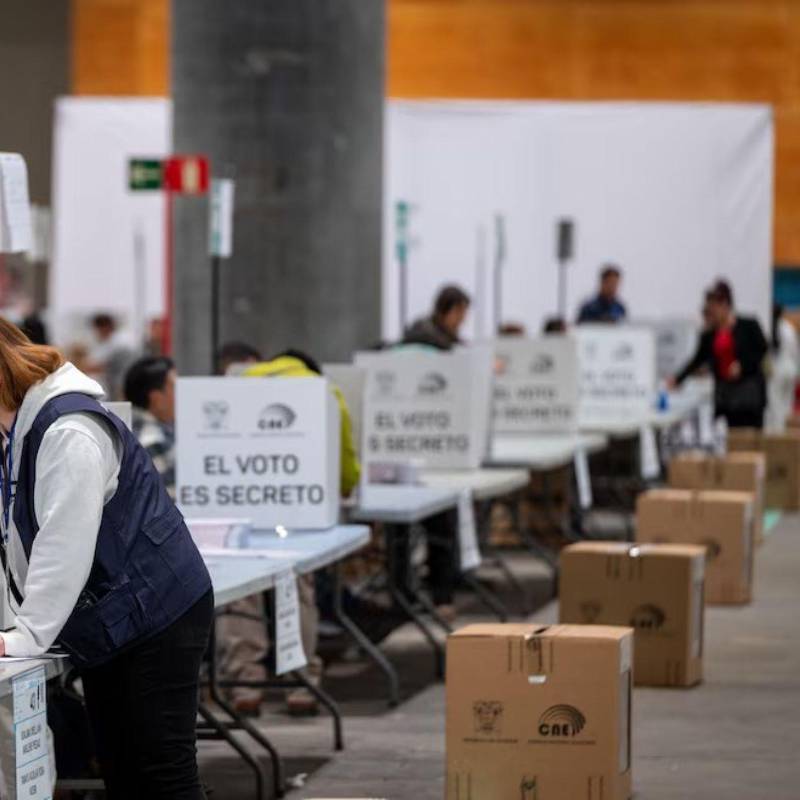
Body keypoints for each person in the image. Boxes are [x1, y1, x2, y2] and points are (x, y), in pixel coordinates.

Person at [0, 318, 212, 799]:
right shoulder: (23, 430)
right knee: (124, 772)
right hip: (118, 618)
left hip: (155, 615)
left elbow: (64, 544)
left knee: (161, 775)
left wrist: (27, 635)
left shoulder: (67, 431)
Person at [217, 346, 362, 716]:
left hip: (237, 502)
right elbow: (344, 461)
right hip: (297, 508)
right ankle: (301, 683)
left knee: (239, 590)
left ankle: (243, 683)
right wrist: (347, 485)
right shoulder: (323, 390)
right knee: (296, 586)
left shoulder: (238, 383)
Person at [671, 280, 769, 429]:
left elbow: (761, 350)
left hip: (749, 396)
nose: (712, 312)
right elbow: (697, 359)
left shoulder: (749, 325)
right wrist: (677, 379)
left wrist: (742, 366)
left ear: (725, 305)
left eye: (714, 308)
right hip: (724, 396)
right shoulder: (709, 335)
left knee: (748, 439)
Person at [124, 356, 177, 495]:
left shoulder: (159, 429)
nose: (182, 394)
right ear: (157, 398)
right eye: (175, 388)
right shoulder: (150, 439)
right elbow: (173, 498)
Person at [766, 304, 800, 431]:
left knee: (775, 403)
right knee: (787, 402)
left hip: (778, 369)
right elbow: (796, 352)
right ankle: (783, 430)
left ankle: (777, 430)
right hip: (790, 368)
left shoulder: (773, 326)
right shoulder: (789, 328)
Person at [87, 313, 137, 400]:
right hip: (116, 383)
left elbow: (99, 366)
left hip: (123, 383)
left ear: (105, 327)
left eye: (98, 329)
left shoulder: (118, 341)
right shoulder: (108, 342)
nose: (97, 333)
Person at [404, 285, 470, 350]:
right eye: (458, 312)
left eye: (464, 313)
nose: (461, 318)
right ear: (442, 311)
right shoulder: (422, 330)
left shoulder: (451, 340)